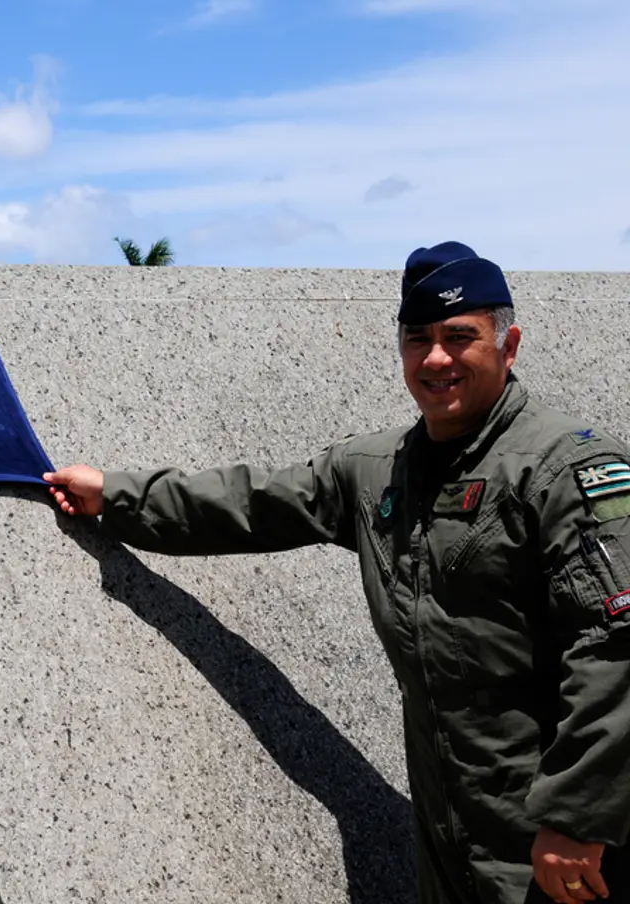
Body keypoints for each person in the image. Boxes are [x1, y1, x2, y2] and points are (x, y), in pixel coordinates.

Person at [45, 242, 630, 904]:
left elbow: (614, 649)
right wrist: (116, 494)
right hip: (452, 835)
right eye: (418, 339)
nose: (436, 358)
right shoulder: (379, 470)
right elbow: (252, 502)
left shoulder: (564, 470)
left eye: (459, 337)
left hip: (564, 844)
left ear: (509, 344)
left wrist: (577, 818)